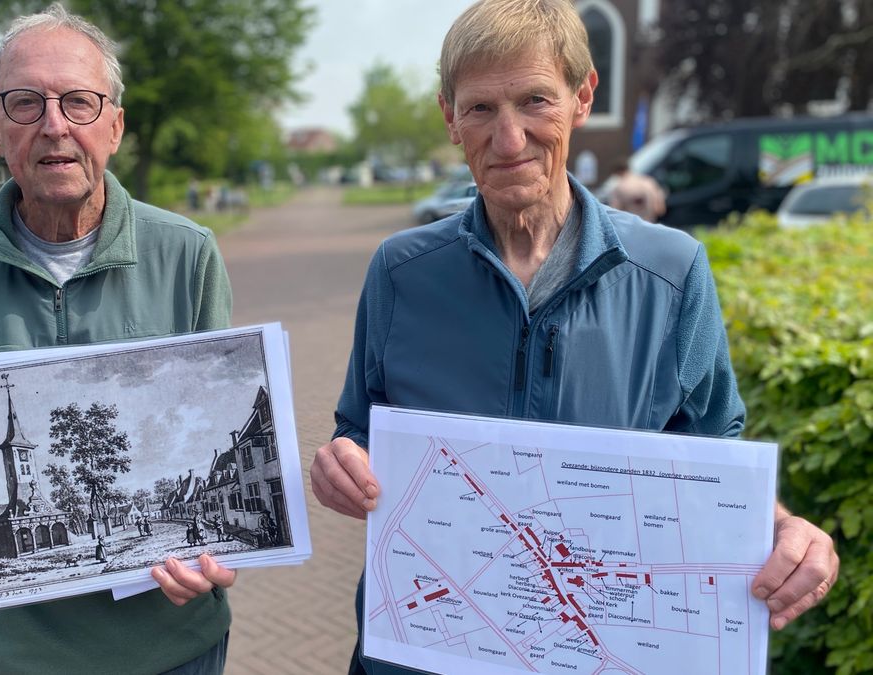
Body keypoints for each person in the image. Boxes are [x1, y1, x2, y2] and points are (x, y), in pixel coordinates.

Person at [308, 2, 839, 673]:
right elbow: (359, 426)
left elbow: (712, 460)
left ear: (582, 98)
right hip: (423, 650)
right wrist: (340, 463)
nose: (508, 140)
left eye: (535, 100)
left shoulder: (671, 274)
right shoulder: (400, 270)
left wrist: (782, 525)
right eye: (479, 109)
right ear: (449, 118)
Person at [0, 6, 235, 674]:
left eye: (79, 102)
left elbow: (217, 418)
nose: (54, 125)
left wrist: (225, 550)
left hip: (169, 643)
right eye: (25, 103)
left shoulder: (188, 255)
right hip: (8, 649)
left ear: (115, 125)